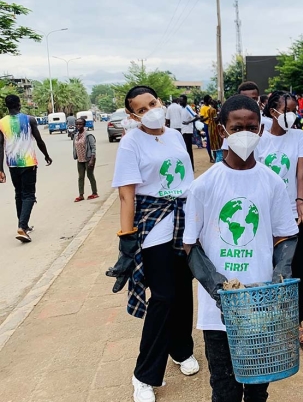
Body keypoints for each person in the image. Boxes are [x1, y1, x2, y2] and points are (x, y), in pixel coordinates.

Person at [183, 94, 299, 402]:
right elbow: (190, 246)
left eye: (251, 126)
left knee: (260, 384)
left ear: (260, 130)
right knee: (224, 386)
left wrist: (280, 271)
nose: (244, 133)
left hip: (260, 304)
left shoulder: (272, 182)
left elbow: (287, 236)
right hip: (217, 312)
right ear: (222, 131)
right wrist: (218, 287)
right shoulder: (203, 186)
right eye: (236, 128)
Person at [106, 86, 198, 402]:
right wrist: (127, 239)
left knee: (184, 290)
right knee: (163, 296)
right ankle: (144, 375)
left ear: (161, 102)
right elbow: (126, 194)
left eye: (153, 104)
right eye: (142, 109)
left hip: (185, 222)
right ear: (133, 115)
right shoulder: (131, 143)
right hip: (154, 223)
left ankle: (182, 349)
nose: (150, 111)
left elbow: (188, 179)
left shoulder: (174, 136)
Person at [260, 91, 303, 344]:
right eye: (287, 110)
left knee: (297, 266)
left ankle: (297, 322)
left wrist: (300, 201)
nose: (293, 115)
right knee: (269, 265)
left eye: (295, 109)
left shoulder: (300, 137)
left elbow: (300, 174)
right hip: (269, 214)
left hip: (301, 212)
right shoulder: (258, 140)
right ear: (273, 111)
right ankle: (271, 319)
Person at [0, 95, 53, 243]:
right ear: (18, 104)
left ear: (7, 106)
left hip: (12, 164)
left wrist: (0, 169)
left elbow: (0, 146)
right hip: (28, 163)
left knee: (19, 193)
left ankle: (23, 225)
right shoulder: (29, 119)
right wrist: (47, 155)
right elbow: (39, 140)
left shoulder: (1, 123)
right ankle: (22, 227)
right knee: (29, 195)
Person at [72, 117, 98, 202]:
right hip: (80, 160)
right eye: (77, 124)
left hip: (88, 159)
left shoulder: (88, 135)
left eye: (80, 124)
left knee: (90, 175)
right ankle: (81, 195)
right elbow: (75, 147)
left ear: (84, 125)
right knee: (80, 177)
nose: (78, 126)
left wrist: (92, 160)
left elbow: (93, 148)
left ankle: (94, 193)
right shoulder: (76, 136)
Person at [179, 95, 197, 171]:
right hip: (183, 130)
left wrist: (188, 122)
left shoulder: (188, 108)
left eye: (181, 100)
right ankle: (188, 166)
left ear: (185, 100)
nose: (180, 102)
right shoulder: (182, 108)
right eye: (179, 100)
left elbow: (196, 116)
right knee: (185, 149)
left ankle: (191, 167)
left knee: (189, 149)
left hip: (188, 131)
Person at [199, 95, 215, 162]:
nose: (211, 100)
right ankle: (211, 157)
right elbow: (201, 119)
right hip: (207, 125)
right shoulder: (203, 108)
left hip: (213, 125)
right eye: (210, 99)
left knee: (214, 141)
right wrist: (208, 116)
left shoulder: (210, 107)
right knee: (209, 141)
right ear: (206, 100)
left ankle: (215, 156)